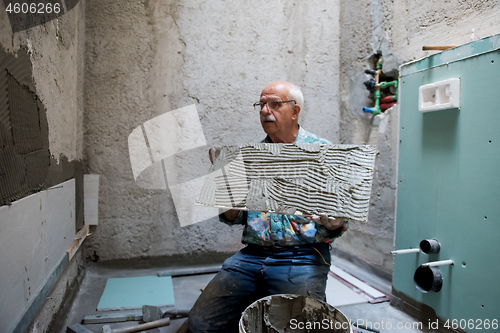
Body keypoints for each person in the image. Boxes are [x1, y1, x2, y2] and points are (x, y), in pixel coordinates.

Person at [187, 81, 348, 333]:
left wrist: (332, 220)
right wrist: (224, 187)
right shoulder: (249, 156)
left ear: (294, 111)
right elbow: (233, 216)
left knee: (299, 327)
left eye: (274, 104)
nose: (264, 110)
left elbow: (340, 223)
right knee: (201, 325)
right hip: (252, 255)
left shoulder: (324, 154)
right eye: (261, 104)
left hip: (302, 257)